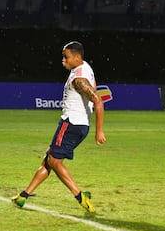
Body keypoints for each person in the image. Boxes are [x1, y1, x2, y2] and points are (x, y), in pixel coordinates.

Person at [12, 41, 106, 212]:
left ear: (77, 57)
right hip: (80, 125)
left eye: (66, 57)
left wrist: (99, 131)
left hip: (70, 124)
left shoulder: (79, 79)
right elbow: (95, 87)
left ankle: (80, 196)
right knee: (49, 158)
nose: (63, 60)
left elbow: (98, 101)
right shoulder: (85, 67)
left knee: (54, 161)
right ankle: (23, 196)